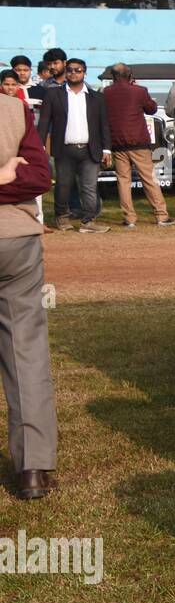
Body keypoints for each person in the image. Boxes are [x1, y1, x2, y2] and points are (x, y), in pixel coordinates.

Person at [0, 92, 58, 498]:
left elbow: (39, 178)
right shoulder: (13, 109)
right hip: (14, 237)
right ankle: (33, 469)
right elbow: (37, 177)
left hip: (14, 239)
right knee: (26, 353)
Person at [37, 58, 112, 233]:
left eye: (78, 70)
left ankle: (89, 221)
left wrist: (107, 149)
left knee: (89, 187)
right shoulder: (54, 95)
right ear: (66, 71)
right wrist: (40, 146)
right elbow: (45, 121)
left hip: (90, 149)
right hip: (64, 149)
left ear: (84, 72)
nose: (73, 73)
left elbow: (104, 125)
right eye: (70, 70)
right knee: (63, 185)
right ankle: (62, 218)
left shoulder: (97, 97)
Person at [102, 63, 174, 228]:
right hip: (138, 142)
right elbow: (151, 109)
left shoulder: (106, 92)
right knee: (148, 178)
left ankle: (129, 218)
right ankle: (161, 215)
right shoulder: (139, 91)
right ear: (130, 75)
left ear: (113, 76)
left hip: (117, 142)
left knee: (123, 181)